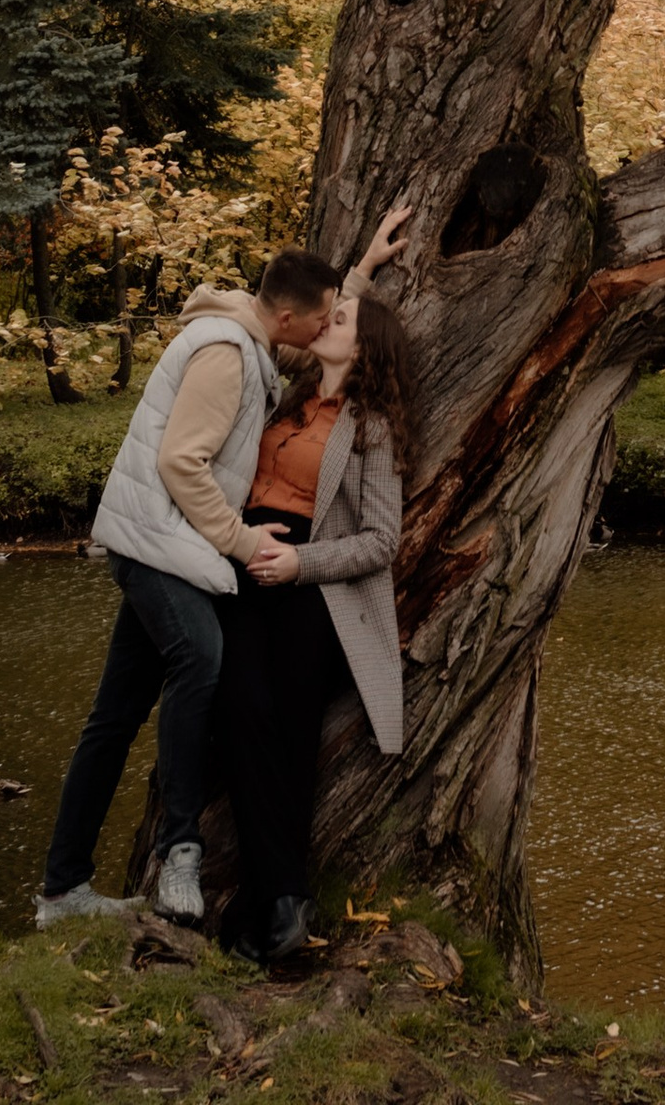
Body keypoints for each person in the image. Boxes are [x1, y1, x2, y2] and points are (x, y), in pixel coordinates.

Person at [35, 207, 408, 929]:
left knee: (117, 717)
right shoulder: (230, 353)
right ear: (296, 317)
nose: (331, 324)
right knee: (206, 670)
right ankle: (180, 853)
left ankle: (65, 889)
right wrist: (242, 543)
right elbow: (182, 461)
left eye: (342, 319)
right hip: (178, 547)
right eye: (327, 314)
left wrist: (360, 269)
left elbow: (325, 350)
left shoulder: (276, 359)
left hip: (210, 552)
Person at [215, 283, 412, 964]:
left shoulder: (371, 426)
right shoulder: (290, 396)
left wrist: (300, 562)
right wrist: (367, 263)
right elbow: (299, 314)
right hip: (243, 565)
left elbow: (383, 540)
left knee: (291, 739)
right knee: (242, 716)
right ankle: (279, 903)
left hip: (312, 586)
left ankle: (271, 910)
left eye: (345, 318)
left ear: (363, 348)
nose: (329, 320)